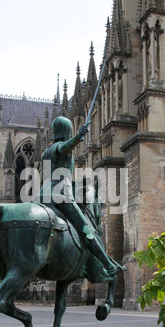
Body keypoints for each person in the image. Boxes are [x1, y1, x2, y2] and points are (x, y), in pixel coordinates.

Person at [38, 116, 118, 278]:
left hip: (43, 195)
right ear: (67, 131)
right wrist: (78, 137)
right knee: (87, 230)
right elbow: (64, 148)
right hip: (60, 195)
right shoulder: (56, 148)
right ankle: (107, 264)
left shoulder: (45, 152)